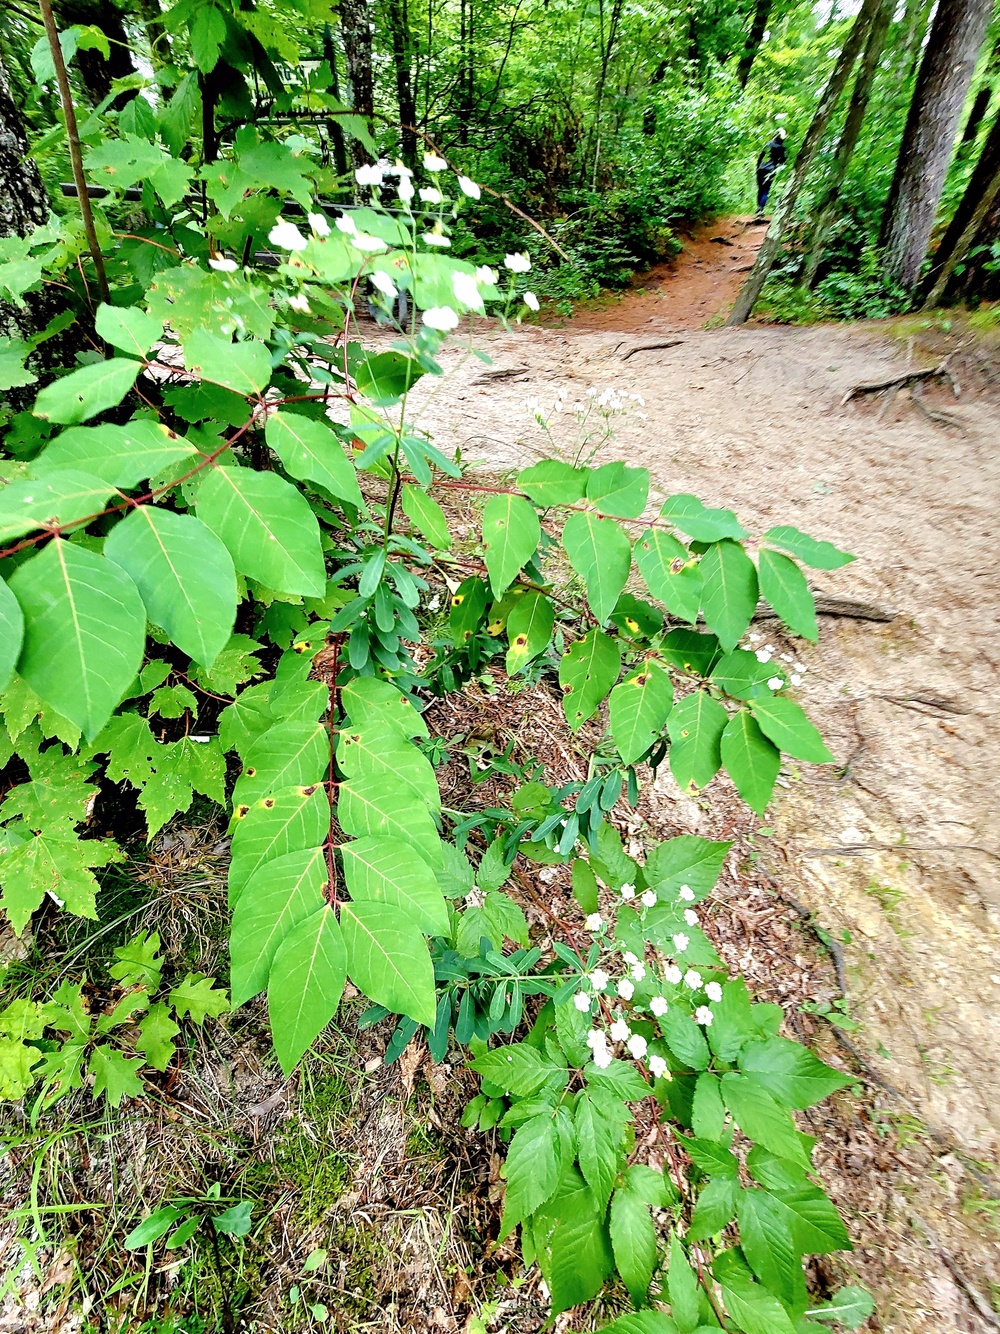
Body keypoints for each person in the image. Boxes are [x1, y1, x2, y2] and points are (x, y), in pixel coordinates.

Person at [756, 129, 787, 214]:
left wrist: (757, 167)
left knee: (760, 189)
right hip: (770, 171)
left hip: (761, 169)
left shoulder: (768, 144)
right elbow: (782, 161)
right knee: (765, 190)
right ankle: (761, 208)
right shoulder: (781, 148)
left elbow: (760, 157)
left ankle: (759, 207)